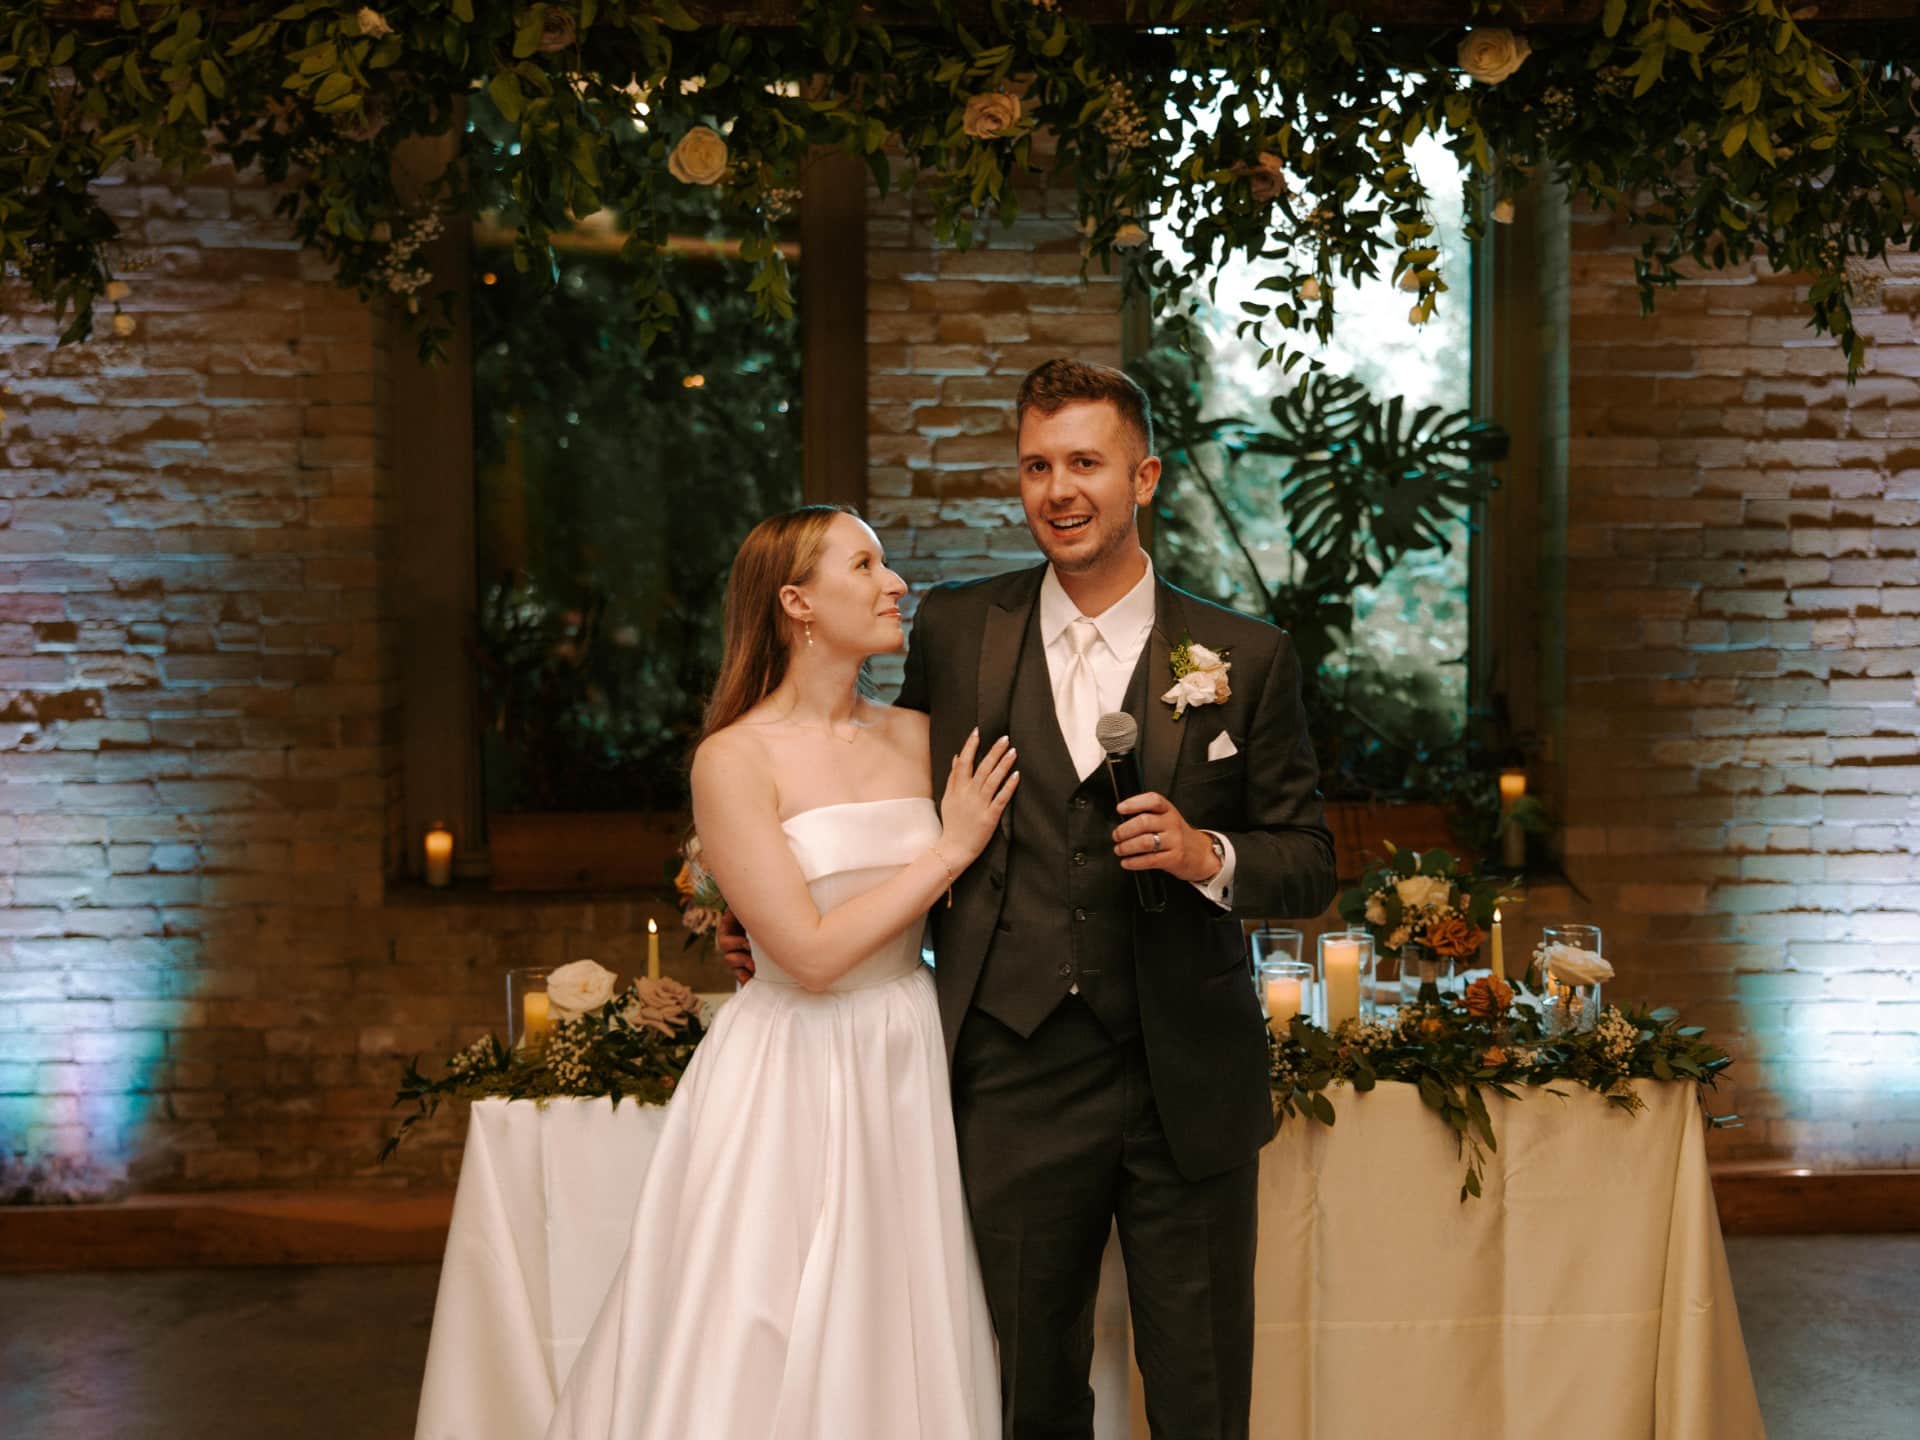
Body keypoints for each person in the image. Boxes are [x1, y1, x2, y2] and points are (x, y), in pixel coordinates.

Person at [727, 358, 1337, 1439]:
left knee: (1200, 1393)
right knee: (1024, 1392)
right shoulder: (960, 628)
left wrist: (1207, 853)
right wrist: (774, 917)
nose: (1059, 491)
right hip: (1010, 1071)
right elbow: (884, 789)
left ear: (1143, 478)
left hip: (1185, 1075)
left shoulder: (1247, 655)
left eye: (1086, 464)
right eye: (1036, 466)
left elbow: (1310, 862)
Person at [546, 506, 1014, 1440]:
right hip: (792, 1062)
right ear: (797, 602)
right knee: (762, 1314)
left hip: (906, 1044)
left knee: (896, 1310)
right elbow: (805, 954)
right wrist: (949, 850)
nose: (895, 584)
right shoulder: (732, 758)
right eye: (865, 566)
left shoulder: (921, 737)